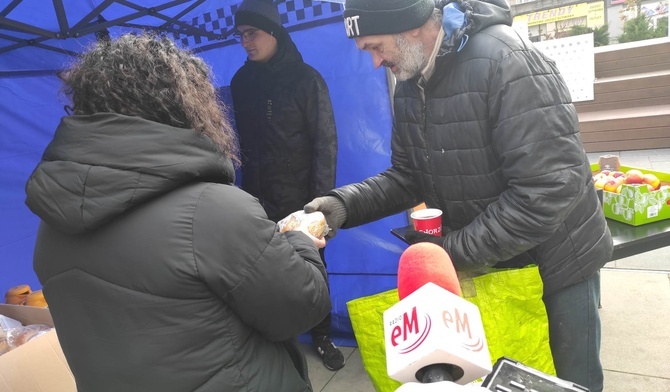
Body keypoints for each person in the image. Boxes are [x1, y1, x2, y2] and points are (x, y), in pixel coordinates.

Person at [305, 0, 613, 391]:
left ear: (411, 25)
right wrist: (341, 206)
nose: (376, 63)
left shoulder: (508, 61)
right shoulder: (410, 83)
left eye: (376, 47)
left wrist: (450, 253)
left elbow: (547, 189)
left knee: (566, 384)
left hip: (556, 269)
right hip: (492, 265)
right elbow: (407, 176)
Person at [25, 32, 331, 392]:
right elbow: (300, 308)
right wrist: (300, 241)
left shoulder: (52, 222)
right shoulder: (214, 211)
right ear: (184, 103)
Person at [230, 0, 344, 371]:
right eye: (241, 35)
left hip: (302, 198)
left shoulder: (305, 79)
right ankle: (278, 338)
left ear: (274, 32)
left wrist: (321, 206)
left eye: (252, 33)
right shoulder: (240, 81)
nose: (246, 42)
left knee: (313, 268)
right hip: (256, 200)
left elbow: (325, 143)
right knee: (264, 270)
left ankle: (323, 335)